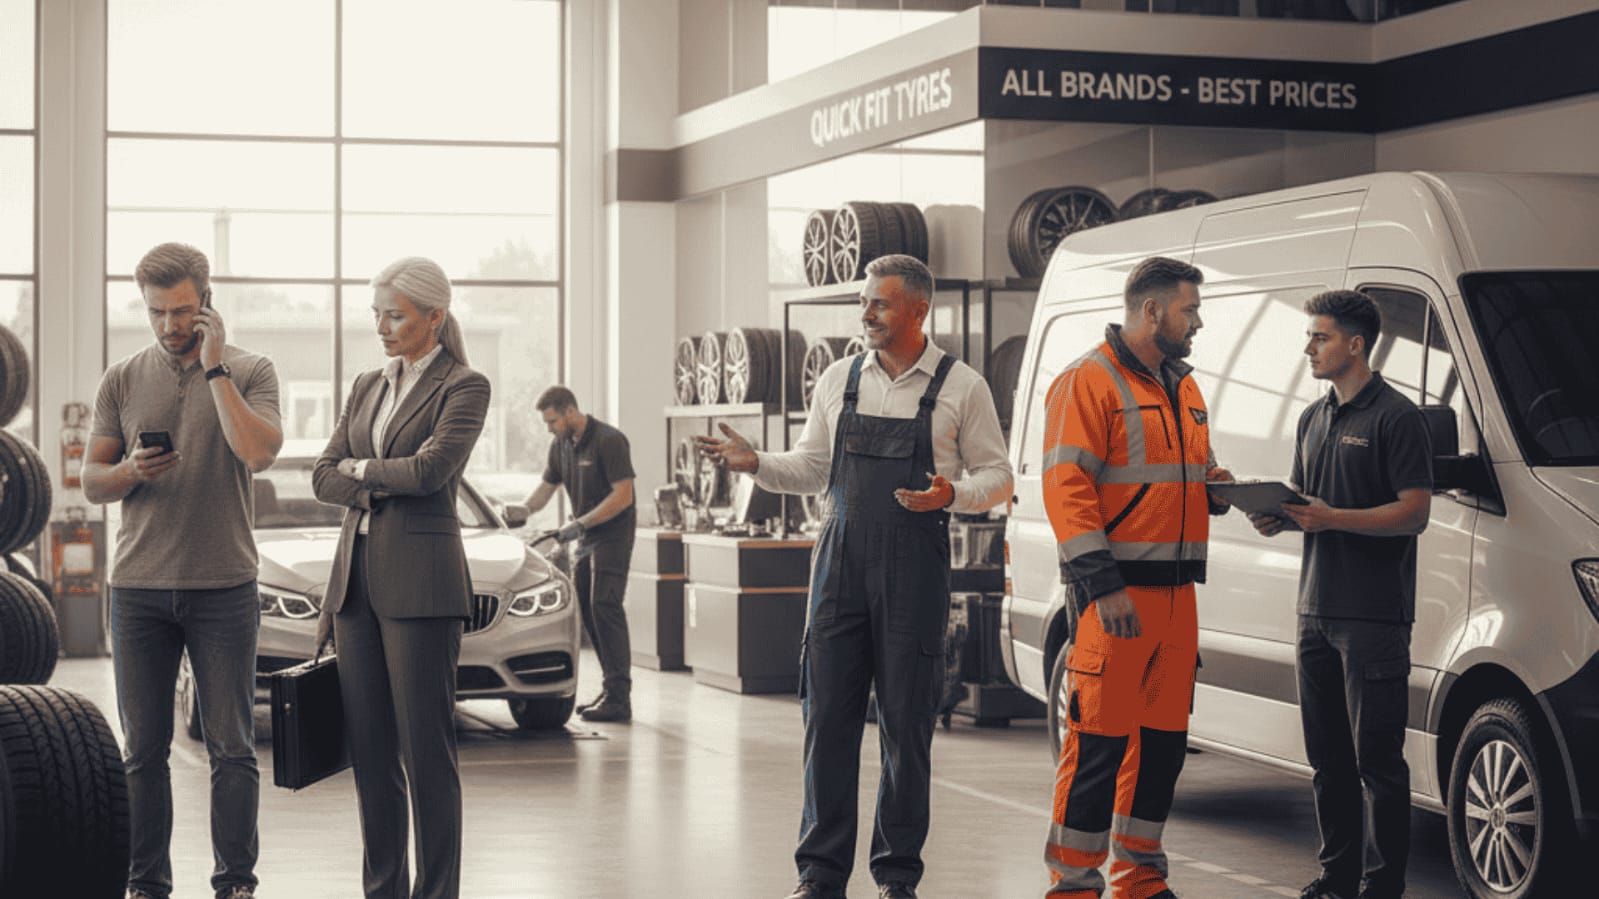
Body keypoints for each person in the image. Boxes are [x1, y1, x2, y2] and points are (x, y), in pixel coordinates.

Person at [696, 254, 1013, 899]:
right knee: (828, 723)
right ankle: (819, 874)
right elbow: (814, 468)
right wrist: (756, 461)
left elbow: (1000, 478)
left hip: (915, 574)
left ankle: (896, 876)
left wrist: (951, 492)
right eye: (864, 301)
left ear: (919, 310)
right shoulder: (840, 379)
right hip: (838, 568)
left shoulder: (962, 386)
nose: (866, 313)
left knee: (907, 727)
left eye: (881, 303)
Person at [82, 242, 282, 899]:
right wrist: (130, 472)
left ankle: (234, 883)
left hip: (224, 584)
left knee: (231, 747)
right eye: (157, 312)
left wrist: (215, 369)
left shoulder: (253, 370)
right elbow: (91, 482)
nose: (169, 325)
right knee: (143, 751)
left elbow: (256, 452)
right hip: (137, 589)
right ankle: (146, 882)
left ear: (207, 304)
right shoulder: (121, 377)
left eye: (182, 311)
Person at [1040, 256, 1232, 899]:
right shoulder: (1086, 382)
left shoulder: (1184, 386)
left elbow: (1184, 474)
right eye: (1190, 309)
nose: (1198, 321)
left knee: (1161, 751)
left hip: (1178, 600)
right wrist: (1104, 586)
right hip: (1116, 599)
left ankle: (1139, 878)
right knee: (1096, 749)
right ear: (1153, 311)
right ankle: (1073, 884)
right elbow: (1066, 492)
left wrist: (1221, 488)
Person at [312, 256, 490, 899]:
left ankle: (437, 892)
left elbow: (431, 472)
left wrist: (360, 473)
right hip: (355, 587)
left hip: (421, 588)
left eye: (396, 315)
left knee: (426, 752)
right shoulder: (367, 383)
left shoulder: (464, 386)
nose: (382, 326)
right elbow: (322, 473)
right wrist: (367, 478)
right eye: (377, 314)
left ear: (434, 317)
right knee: (371, 751)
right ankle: (383, 889)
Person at [1248, 290, 1431, 899]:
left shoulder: (1399, 417)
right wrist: (1279, 513)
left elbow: (1413, 514)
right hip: (1314, 611)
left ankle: (1382, 888)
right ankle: (1336, 878)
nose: (1308, 348)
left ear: (1355, 344)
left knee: (1378, 764)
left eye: (1319, 337)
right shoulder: (1313, 416)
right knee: (1328, 760)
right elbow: (1309, 500)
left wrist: (1332, 518)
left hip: (1373, 617)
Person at [513, 386, 637, 723]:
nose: (549, 428)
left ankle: (619, 697)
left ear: (570, 412)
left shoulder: (610, 441)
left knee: (604, 605)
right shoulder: (561, 446)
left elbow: (623, 496)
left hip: (612, 537)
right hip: (584, 539)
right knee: (588, 609)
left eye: (552, 420)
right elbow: (545, 490)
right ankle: (611, 688)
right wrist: (520, 510)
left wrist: (579, 524)